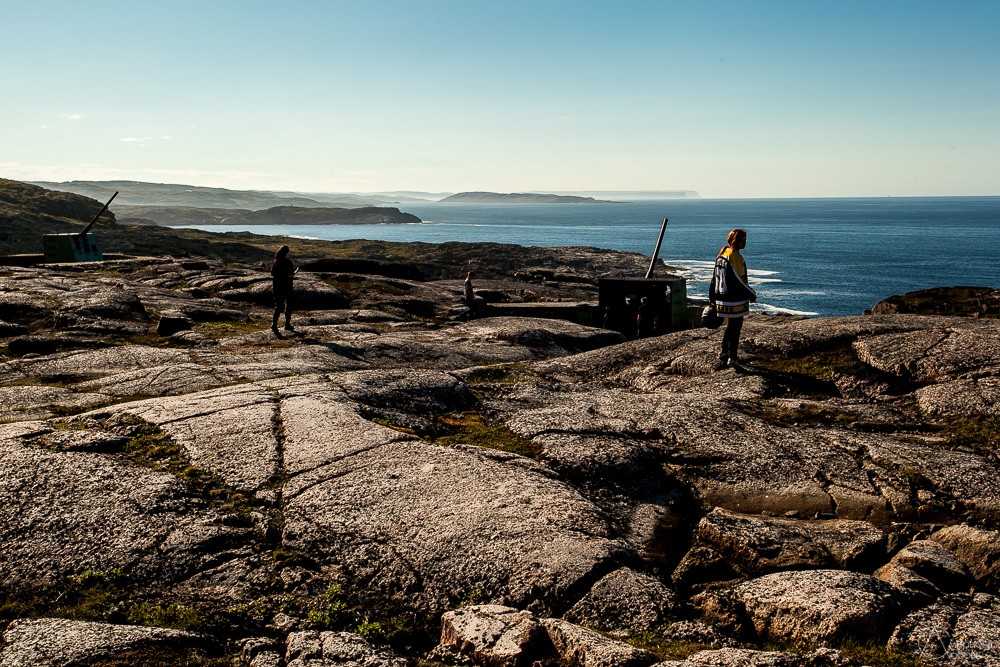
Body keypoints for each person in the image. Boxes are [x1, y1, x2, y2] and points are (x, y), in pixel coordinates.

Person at [708, 228, 756, 369]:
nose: (745, 243)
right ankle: (732, 357)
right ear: (737, 241)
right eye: (743, 240)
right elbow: (739, 281)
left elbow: (714, 279)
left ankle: (724, 355)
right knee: (735, 329)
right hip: (735, 300)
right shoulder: (735, 257)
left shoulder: (722, 254)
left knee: (730, 328)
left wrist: (712, 297)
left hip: (722, 298)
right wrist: (751, 294)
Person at [271, 245, 297, 333]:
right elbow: (291, 274)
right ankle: (287, 324)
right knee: (289, 305)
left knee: (278, 306)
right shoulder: (288, 262)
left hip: (277, 287)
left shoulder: (276, 261)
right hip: (287, 287)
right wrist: (293, 273)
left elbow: (272, 273)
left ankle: (274, 325)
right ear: (287, 252)